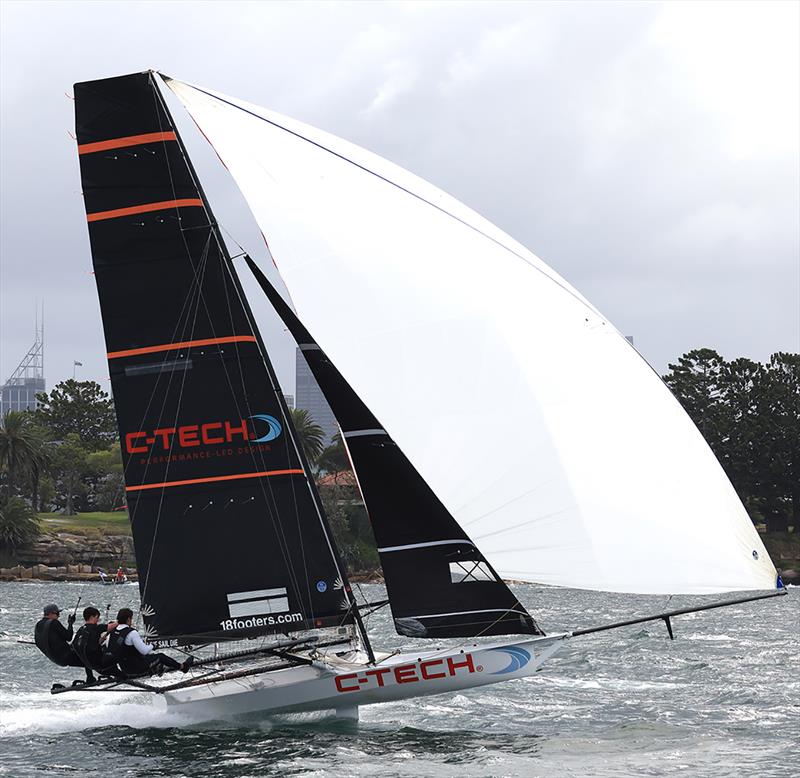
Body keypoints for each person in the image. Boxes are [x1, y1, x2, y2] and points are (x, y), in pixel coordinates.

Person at [105, 608, 194, 677]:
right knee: (161, 656)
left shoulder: (112, 633)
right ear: (128, 619)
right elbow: (144, 650)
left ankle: (157, 668)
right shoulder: (132, 633)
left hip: (124, 669)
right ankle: (183, 667)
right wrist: (152, 645)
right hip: (137, 669)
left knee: (146, 656)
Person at [34, 603, 94, 683]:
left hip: (56, 659)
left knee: (83, 654)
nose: (58, 616)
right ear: (50, 614)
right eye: (57, 614)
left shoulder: (38, 625)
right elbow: (68, 637)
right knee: (88, 655)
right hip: (66, 656)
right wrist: (70, 623)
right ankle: (92, 678)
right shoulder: (53, 623)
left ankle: (91, 677)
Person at [71, 607, 118, 682]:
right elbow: (110, 626)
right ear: (91, 617)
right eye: (97, 617)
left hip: (89, 664)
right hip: (100, 665)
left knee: (86, 651)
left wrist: (100, 641)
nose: (98, 620)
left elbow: (81, 645)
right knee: (115, 650)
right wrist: (122, 621)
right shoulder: (95, 628)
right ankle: (121, 673)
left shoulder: (81, 630)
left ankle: (89, 677)